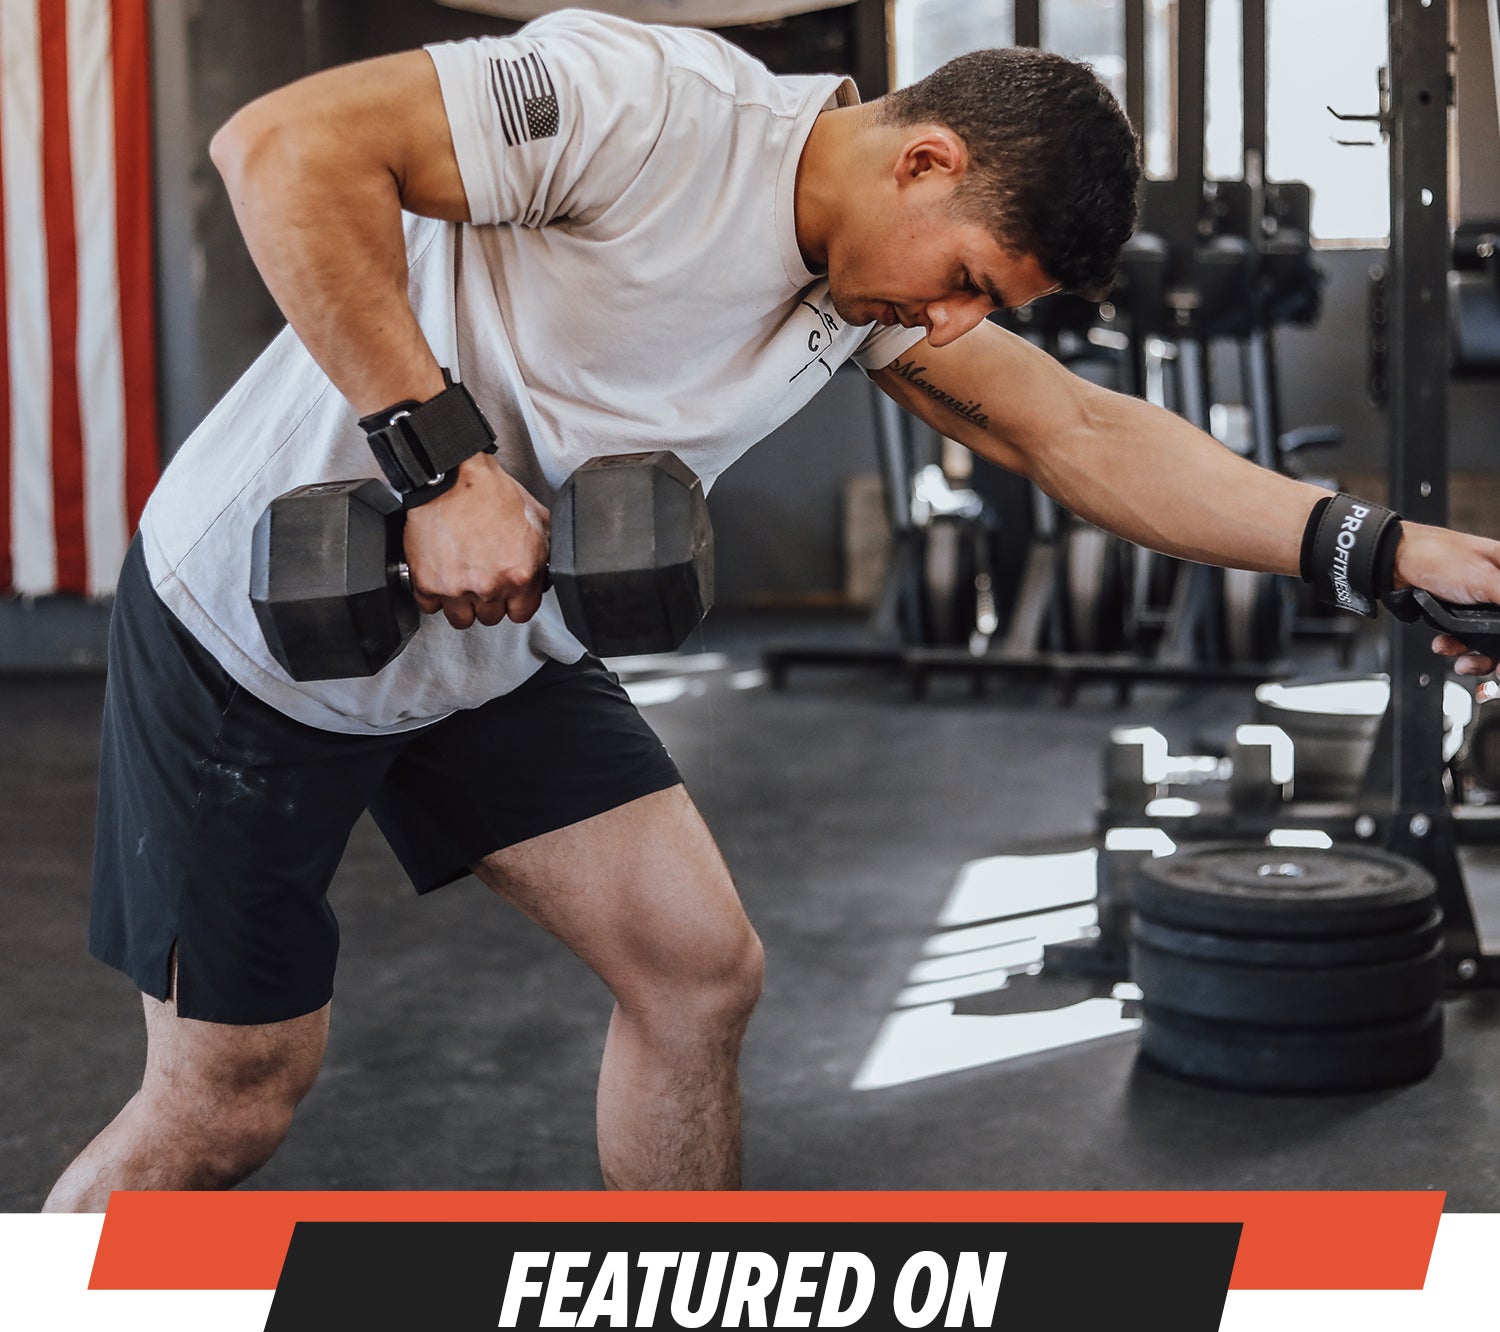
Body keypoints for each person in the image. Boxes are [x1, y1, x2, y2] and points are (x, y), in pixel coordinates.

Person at [43, 9, 1500, 1209]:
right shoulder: (652, 109)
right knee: (231, 1103)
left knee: (697, 974)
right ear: (923, 162)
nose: (949, 326)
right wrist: (440, 460)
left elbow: (1080, 432)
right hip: (253, 638)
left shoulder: (862, 282)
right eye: (968, 281)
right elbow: (284, 145)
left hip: (494, 647)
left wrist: (1384, 551)